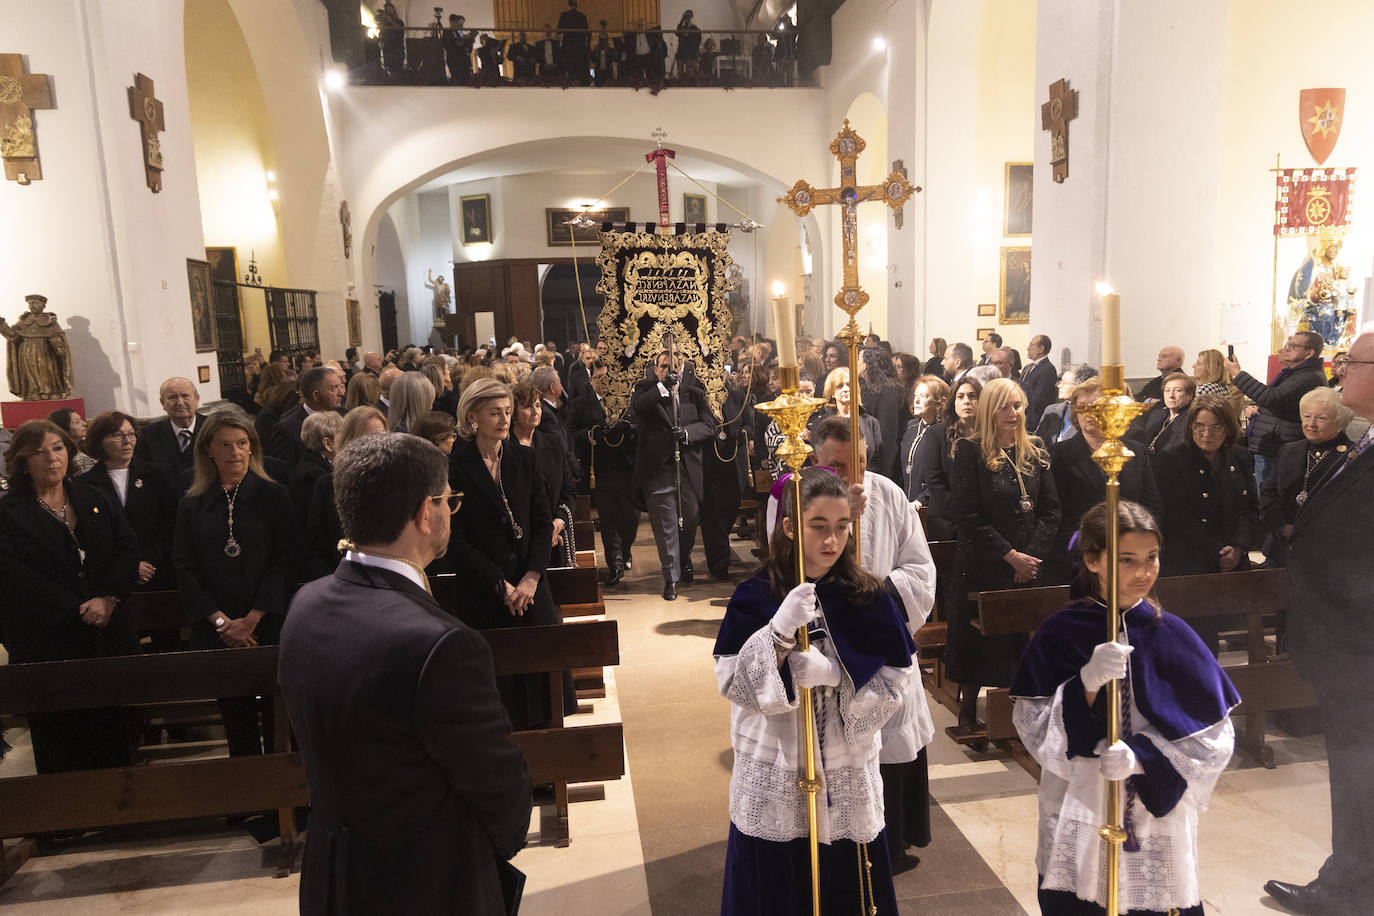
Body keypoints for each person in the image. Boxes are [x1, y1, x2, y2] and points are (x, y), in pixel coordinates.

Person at [279, 432, 530, 916]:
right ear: (425, 512)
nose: (450, 511)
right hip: (428, 884)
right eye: (448, 500)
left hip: (334, 876)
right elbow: (504, 799)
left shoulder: (305, 604)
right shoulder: (442, 644)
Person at [1011, 500, 1238, 916]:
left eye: (1151, 558)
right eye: (1127, 560)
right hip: (1083, 795)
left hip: (1153, 813)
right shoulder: (1061, 632)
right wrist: (1086, 684)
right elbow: (1033, 724)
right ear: (1092, 561)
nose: (1144, 572)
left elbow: (1215, 735)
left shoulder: (1170, 632)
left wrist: (1142, 757)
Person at [714, 467, 914, 915]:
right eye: (818, 527)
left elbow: (894, 681)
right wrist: (779, 633)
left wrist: (834, 675)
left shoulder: (868, 595)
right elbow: (732, 682)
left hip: (844, 767)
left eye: (842, 527)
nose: (832, 541)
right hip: (779, 762)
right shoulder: (754, 596)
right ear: (789, 527)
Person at [1263, 329, 1374, 914]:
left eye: (1350, 362)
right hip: (1348, 644)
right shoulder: (1364, 440)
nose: (1339, 369)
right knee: (1356, 773)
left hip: (1360, 648)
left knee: (1360, 772)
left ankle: (1350, 889)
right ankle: (1350, 874)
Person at [808, 418, 938, 871]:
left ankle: (892, 844)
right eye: (838, 466)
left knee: (890, 745)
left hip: (884, 647)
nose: (852, 477)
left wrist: (878, 604)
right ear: (816, 459)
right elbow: (788, 570)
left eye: (860, 462)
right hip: (827, 658)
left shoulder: (890, 495)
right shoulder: (800, 497)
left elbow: (920, 571)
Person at [0, 419, 140, 773]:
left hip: (107, 632)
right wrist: (74, 607)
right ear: (22, 461)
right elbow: (11, 573)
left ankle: (117, 808)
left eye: (58, 448)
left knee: (113, 724)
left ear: (70, 452)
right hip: (48, 638)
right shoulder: (8, 512)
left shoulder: (94, 497)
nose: (51, 458)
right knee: (60, 732)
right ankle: (67, 818)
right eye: (39, 452)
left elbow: (126, 549)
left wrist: (107, 598)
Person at [173, 410, 293, 758]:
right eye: (224, 445)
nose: (235, 452)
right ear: (208, 449)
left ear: (253, 448)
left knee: (277, 715)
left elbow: (285, 559)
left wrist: (253, 618)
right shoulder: (192, 502)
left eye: (242, 444)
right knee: (234, 715)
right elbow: (184, 565)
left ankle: (280, 801)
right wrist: (223, 622)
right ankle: (244, 797)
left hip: (266, 621)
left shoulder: (274, 494)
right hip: (217, 626)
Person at [447, 378, 565, 728]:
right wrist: (500, 585)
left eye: (507, 412)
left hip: (531, 589)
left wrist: (531, 577)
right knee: (498, 696)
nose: (503, 419)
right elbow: (454, 540)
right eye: (494, 412)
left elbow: (543, 524)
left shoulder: (524, 458)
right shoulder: (454, 465)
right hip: (484, 593)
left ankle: (549, 771)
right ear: (472, 416)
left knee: (543, 689)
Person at [947, 377, 1061, 733]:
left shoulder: (1036, 449)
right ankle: (968, 709)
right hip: (984, 562)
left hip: (1028, 564)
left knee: (1023, 639)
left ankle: (1025, 707)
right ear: (988, 410)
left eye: (1018, 405)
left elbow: (1051, 511)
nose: (1013, 413)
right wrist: (1009, 556)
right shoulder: (970, 451)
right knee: (978, 641)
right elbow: (967, 516)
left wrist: (1030, 558)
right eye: (1004, 406)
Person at [1150, 395, 1258, 654]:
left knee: (1225, 641)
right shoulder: (1170, 461)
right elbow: (1176, 518)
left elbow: (1251, 509)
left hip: (1232, 563)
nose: (1206, 433)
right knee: (1195, 644)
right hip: (1189, 566)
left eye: (1215, 426)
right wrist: (1216, 554)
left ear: (1228, 428)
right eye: (1199, 425)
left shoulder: (1239, 456)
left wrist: (1239, 548)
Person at [1044, 378, 1162, 585]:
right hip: (1080, 557)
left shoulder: (1136, 451)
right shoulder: (1059, 455)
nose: (1089, 413)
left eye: (1097, 406)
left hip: (1132, 555)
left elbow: (1151, 504)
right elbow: (1057, 512)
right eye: (1083, 407)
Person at [632, 349, 717, 600]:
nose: (670, 371)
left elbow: (709, 425)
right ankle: (671, 578)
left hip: (688, 468)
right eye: (664, 366)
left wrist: (688, 433)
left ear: (682, 368)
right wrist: (661, 388)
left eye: (674, 367)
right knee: (666, 524)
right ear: (656, 368)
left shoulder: (694, 391)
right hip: (658, 469)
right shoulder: (645, 388)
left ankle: (682, 558)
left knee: (689, 521)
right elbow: (637, 409)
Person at [78, 411, 178, 589]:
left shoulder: (157, 474)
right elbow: (92, 535)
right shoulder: (84, 485)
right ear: (99, 440)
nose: (127, 440)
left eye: (131, 434)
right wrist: (129, 565)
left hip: (157, 570)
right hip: (111, 575)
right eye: (117, 435)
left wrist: (148, 560)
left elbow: (171, 523)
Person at [1257, 386, 1351, 572]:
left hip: (1326, 555)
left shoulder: (1352, 457)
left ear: (1340, 422)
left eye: (1321, 418)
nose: (1311, 424)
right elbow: (1269, 493)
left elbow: (1349, 510)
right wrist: (1281, 526)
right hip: (1281, 548)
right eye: (1307, 416)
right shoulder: (1289, 450)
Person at [1225, 331, 1327, 492]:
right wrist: (1252, 407)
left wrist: (1237, 374)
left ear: (1309, 353)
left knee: (1269, 496)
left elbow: (1273, 397)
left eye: (1294, 346)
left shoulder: (1308, 377)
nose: (1286, 349)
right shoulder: (1293, 374)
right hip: (1272, 443)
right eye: (1287, 345)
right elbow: (1272, 401)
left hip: (1278, 444)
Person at [570, 361, 639, 585]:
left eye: (608, 379)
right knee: (608, 519)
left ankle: (625, 550)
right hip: (599, 470)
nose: (604, 383)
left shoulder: (626, 402)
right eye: (599, 378)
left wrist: (629, 430)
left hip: (626, 469)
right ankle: (615, 564)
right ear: (591, 381)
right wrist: (592, 434)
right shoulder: (581, 404)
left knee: (630, 518)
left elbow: (639, 428)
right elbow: (570, 434)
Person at [305, 406, 388, 578]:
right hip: (342, 578)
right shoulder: (327, 485)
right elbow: (317, 547)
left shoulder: (399, 484)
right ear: (351, 441)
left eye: (382, 437)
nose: (377, 444)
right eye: (368, 438)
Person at [512, 382, 577, 569]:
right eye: (527, 406)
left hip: (555, 538)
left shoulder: (553, 443)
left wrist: (558, 523)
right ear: (514, 413)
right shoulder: (506, 448)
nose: (535, 411)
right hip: (521, 542)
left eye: (538, 405)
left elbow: (568, 491)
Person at [909, 376, 982, 541]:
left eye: (972, 396)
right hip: (946, 518)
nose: (966, 401)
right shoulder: (937, 433)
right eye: (960, 396)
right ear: (953, 402)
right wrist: (964, 514)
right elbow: (935, 482)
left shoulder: (989, 435)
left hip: (982, 520)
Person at [269, 366, 346, 470]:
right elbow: (284, 472)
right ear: (316, 395)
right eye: (334, 388)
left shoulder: (345, 415)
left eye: (340, 386)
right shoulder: (287, 428)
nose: (341, 393)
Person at [0, 294, 74, 400]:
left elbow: (57, 337)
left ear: (43, 305)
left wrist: (58, 345)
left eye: (35, 303)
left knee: (47, 371)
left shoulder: (49, 321)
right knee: (29, 373)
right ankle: (32, 392)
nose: (32, 306)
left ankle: (51, 392)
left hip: (45, 351)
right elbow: (13, 336)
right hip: (26, 351)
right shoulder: (24, 321)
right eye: (30, 303)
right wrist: (3, 326)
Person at [136, 376, 206, 481]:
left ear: (197, 399)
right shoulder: (147, 436)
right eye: (172, 397)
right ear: (162, 403)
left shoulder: (214, 428)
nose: (180, 402)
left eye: (185, 395)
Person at [899, 374, 948, 504]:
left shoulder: (944, 432)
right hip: (908, 502)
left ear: (939, 401)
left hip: (929, 506)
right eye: (916, 396)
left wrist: (923, 499)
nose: (917, 401)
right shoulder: (911, 427)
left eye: (923, 396)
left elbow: (943, 477)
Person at [288, 411, 340, 527]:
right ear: (328, 444)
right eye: (343, 437)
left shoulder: (321, 465)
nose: (347, 443)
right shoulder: (310, 475)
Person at [858, 346, 902, 480]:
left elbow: (887, 433)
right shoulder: (866, 388)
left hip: (879, 462)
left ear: (867, 364)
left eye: (859, 359)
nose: (855, 364)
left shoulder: (886, 392)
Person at [1034, 362, 1097, 444]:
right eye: (1060, 382)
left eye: (1064, 382)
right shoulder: (1051, 411)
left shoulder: (1092, 416)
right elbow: (1037, 441)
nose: (1059, 386)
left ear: (1081, 386)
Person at [1137, 372, 1195, 456]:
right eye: (1167, 390)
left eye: (1178, 390)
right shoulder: (1157, 414)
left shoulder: (1191, 419)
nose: (1171, 395)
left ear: (1189, 395)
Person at [1019, 334, 1058, 428]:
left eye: (1031, 345)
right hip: (1023, 414)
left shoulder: (1048, 369)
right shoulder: (1027, 367)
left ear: (1041, 348)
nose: (1028, 348)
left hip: (1035, 419)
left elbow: (1039, 398)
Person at [47, 407, 96, 475]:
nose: (85, 424)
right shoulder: (68, 458)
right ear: (64, 428)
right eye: (77, 422)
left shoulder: (85, 447)